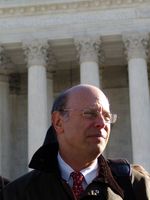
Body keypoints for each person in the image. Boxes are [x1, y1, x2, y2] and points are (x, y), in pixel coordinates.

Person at [1, 84, 150, 200]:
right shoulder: (18, 193)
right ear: (58, 122)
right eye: (90, 114)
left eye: (106, 117)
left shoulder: (135, 185)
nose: (102, 124)